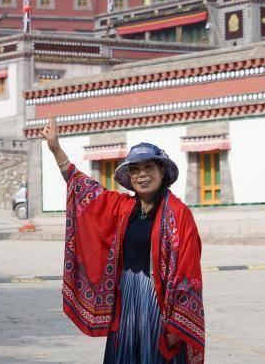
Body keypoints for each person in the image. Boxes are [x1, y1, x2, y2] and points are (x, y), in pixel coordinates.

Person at [41, 117, 205, 364]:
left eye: (149, 167)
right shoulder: (123, 208)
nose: (142, 174)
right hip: (126, 297)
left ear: (162, 172)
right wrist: (56, 149)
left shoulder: (179, 214)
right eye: (135, 169)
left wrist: (177, 323)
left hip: (158, 301)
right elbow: (82, 187)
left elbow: (188, 268)